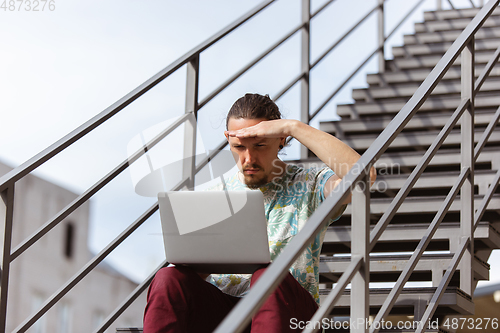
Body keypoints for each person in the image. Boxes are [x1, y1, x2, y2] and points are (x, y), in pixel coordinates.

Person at [143, 93, 375, 332]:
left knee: (267, 275)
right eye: (239, 147)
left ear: (281, 139)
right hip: (226, 313)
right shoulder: (213, 195)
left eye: (260, 145)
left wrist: (292, 126)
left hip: (289, 313)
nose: (249, 158)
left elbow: (364, 178)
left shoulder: (311, 183)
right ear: (228, 140)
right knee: (167, 278)